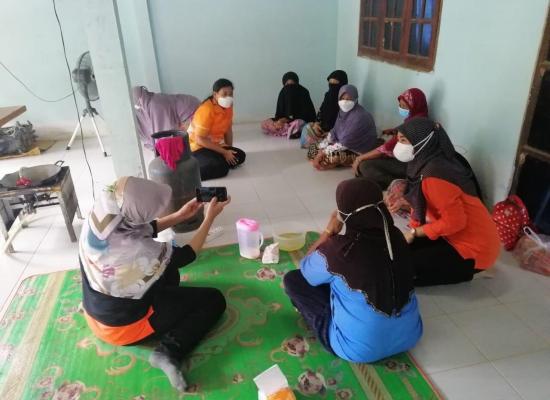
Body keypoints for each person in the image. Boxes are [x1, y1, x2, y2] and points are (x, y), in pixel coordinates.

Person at [79, 176, 231, 392]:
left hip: (96, 310)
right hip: (122, 327)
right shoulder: (136, 251)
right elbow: (187, 255)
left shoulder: (102, 215)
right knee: (213, 300)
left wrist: (179, 216)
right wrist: (208, 219)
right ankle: (168, 352)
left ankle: (162, 320)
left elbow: (137, 229)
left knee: (168, 270)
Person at [283, 178, 423, 363]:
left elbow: (305, 268)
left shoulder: (340, 249)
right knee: (344, 277)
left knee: (294, 280)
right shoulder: (396, 236)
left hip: (357, 350)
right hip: (410, 336)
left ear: (344, 213)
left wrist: (329, 231)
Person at [388, 117, 500, 286]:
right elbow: (420, 202)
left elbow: (455, 222)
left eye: (403, 140)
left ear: (422, 142)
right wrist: (413, 230)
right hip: (452, 235)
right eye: (398, 140)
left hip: (474, 247)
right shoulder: (425, 162)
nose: (398, 145)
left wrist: (414, 233)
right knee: (397, 251)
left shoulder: (434, 176)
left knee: (402, 273)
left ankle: (476, 269)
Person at [353, 88, 428, 189]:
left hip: (409, 165)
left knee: (365, 165)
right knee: (373, 148)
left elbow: (386, 148)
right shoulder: (421, 119)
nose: (401, 109)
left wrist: (360, 158)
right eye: (400, 105)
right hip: (402, 160)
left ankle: (398, 183)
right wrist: (394, 130)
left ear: (415, 106)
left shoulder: (414, 126)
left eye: (405, 106)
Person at [188, 78, 246, 181]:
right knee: (222, 168)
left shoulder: (229, 106)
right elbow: (199, 139)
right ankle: (189, 175)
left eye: (231, 94)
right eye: (224, 94)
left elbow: (228, 129)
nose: (228, 97)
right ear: (215, 94)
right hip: (197, 146)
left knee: (240, 156)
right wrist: (224, 152)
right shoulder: (206, 110)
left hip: (214, 144)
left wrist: (228, 149)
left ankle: (214, 160)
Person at [309, 85, 377, 170]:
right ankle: (330, 161)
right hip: (341, 143)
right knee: (313, 148)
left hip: (357, 149)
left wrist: (322, 153)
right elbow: (334, 131)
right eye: (342, 98)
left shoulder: (360, 116)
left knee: (331, 157)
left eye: (349, 99)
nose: (345, 102)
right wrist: (323, 146)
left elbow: (346, 142)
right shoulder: (342, 112)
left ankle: (346, 160)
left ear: (355, 99)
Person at [133, 86, 200, 150]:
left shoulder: (155, 105)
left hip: (194, 116)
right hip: (189, 120)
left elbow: (165, 141)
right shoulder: (148, 111)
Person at [300, 70, 348, 148]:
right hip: (323, 128)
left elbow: (345, 123)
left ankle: (323, 143)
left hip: (336, 132)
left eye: (335, 84)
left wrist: (331, 132)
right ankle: (321, 142)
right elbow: (321, 111)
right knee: (307, 127)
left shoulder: (345, 100)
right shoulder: (328, 95)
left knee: (336, 140)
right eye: (330, 84)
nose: (332, 87)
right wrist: (316, 124)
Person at [261, 71, 316, 138]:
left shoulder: (303, 92)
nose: (290, 87)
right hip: (285, 122)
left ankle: (287, 130)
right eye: (287, 84)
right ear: (284, 84)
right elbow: (279, 113)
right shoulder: (283, 92)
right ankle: (289, 131)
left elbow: (307, 115)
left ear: (296, 83)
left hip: (299, 120)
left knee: (299, 123)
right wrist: (279, 121)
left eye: (292, 84)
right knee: (265, 123)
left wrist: (287, 120)